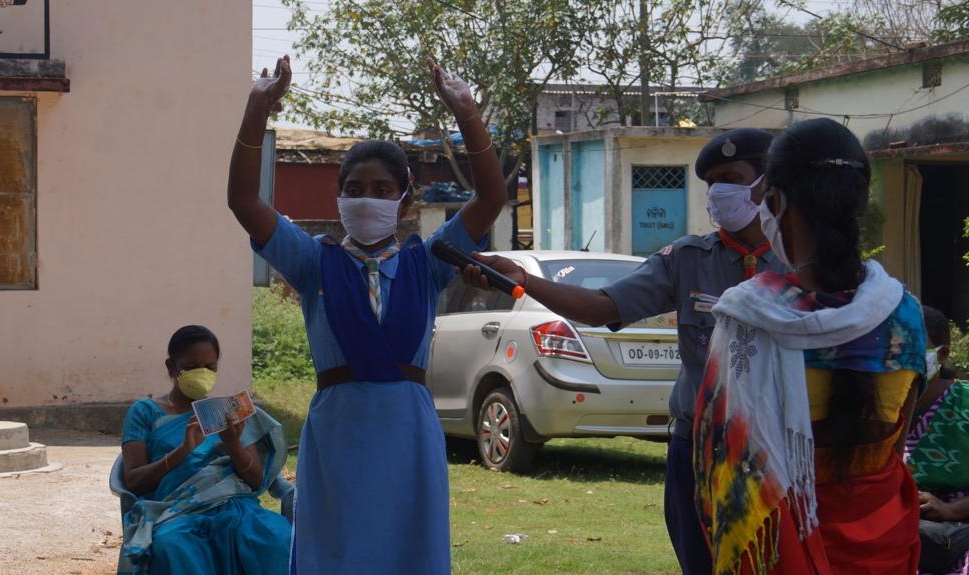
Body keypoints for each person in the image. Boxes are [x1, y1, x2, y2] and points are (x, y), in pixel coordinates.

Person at [228, 54, 506, 574]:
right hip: (339, 430)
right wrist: (255, 110)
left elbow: (491, 196)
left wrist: (467, 112)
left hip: (408, 430)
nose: (366, 199)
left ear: (404, 203)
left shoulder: (429, 262)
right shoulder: (313, 261)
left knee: (409, 548)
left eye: (382, 191)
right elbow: (243, 200)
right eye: (354, 189)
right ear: (337, 197)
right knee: (336, 549)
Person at [461, 127, 781, 573]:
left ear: (766, 183)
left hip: (779, 449)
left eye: (730, 177)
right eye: (711, 184)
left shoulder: (800, 262)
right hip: (701, 449)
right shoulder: (687, 259)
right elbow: (600, 307)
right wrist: (522, 278)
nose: (718, 193)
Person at [693, 117, 927, 574]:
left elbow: (719, 461)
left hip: (784, 549)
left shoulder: (747, 318)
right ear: (860, 201)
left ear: (775, 202)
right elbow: (898, 437)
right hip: (885, 543)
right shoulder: (906, 314)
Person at [117, 325, 291, 575]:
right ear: (171, 367)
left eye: (210, 368)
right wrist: (181, 452)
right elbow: (133, 480)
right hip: (175, 511)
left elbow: (254, 481)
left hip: (234, 506)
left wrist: (232, 444)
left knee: (276, 538)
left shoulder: (226, 412)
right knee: (172, 547)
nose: (202, 374)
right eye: (191, 367)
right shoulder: (144, 412)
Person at [905, 306, 969, 575]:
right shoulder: (871, 408)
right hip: (892, 533)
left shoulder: (965, 402)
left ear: (942, 354)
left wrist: (949, 510)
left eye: (914, 345)